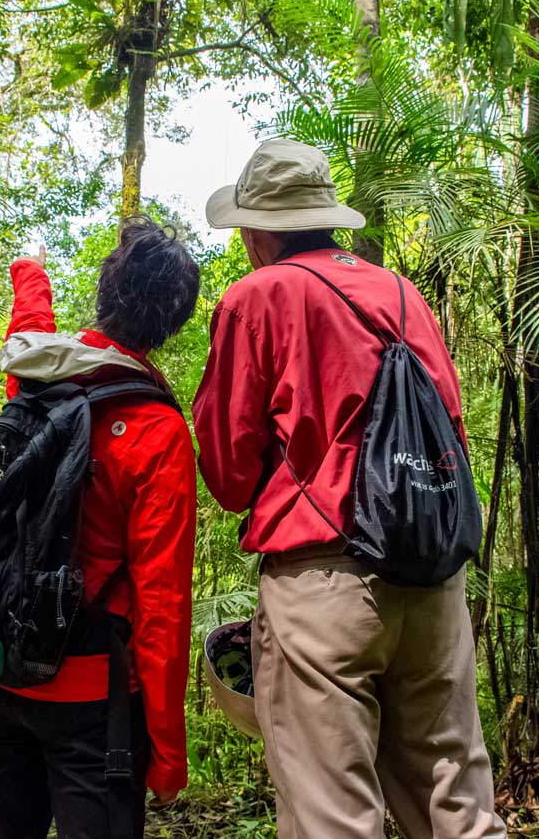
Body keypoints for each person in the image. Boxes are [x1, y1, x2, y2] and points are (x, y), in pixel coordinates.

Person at [192, 138, 507, 839]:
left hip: (323, 584)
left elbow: (230, 472)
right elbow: (448, 426)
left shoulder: (258, 297)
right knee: (456, 804)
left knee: (331, 815)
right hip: (433, 579)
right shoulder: (403, 294)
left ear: (257, 230)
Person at [0, 216, 200, 839]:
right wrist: (168, 754)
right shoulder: (158, 431)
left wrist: (30, 271)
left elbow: (27, 331)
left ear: (103, 289)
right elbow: (163, 605)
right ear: (172, 324)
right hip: (93, 709)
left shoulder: (39, 380)